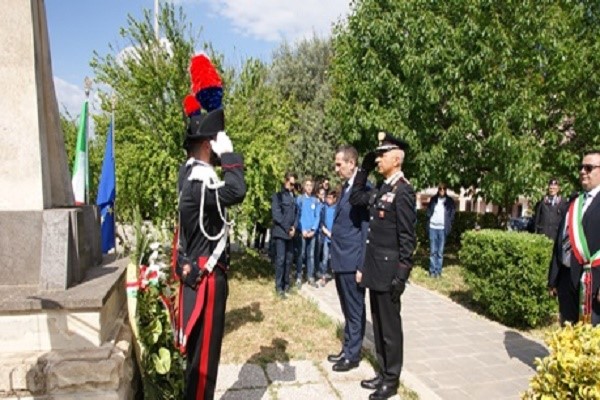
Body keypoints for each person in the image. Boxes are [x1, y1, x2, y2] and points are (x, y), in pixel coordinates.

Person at [176, 107, 246, 399]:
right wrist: (229, 156)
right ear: (208, 145)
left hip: (199, 273)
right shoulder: (200, 181)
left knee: (198, 360)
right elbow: (237, 190)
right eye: (216, 142)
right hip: (207, 281)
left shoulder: (189, 174)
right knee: (204, 362)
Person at [349, 132, 416, 400]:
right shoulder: (383, 188)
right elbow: (355, 198)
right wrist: (363, 170)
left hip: (389, 273)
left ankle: (392, 379)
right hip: (375, 268)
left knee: (390, 328)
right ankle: (383, 370)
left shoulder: (403, 191)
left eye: (382, 155)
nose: (378, 159)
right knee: (377, 324)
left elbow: (407, 239)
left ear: (396, 159)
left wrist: (402, 275)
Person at [327, 145, 370, 372]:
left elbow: (365, 230)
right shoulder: (346, 188)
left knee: (355, 310)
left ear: (351, 163)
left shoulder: (363, 190)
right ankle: (347, 348)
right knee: (346, 308)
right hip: (341, 258)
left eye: (339, 164)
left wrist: (362, 265)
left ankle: (353, 355)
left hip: (352, 260)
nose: (336, 169)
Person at [548, 150, 600, 326]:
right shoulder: (574, 201)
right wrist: (553, 278)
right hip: (566, 278)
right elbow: (560, 240)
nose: (583, 171)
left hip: (592, 282)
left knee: (588, 335)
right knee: (567, 332)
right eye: (581, 167)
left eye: (589, 167)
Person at [271, 172, 299, 298]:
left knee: (289, 260)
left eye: (294, 184)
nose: (292, 186)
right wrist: (288, 228)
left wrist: (294, 227)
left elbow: (297, 213)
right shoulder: (278, 196)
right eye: (291, 183)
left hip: (291, 234)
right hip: (281, 233)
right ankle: (279, 287)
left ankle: (286, 285)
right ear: (285, 181)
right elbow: (277, 216)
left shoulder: (294, 197)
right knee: (281, 260)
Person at [426, 183, 456, 278]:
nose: (442, 190)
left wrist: (449, 224)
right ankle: (432, 271)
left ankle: (438, 272)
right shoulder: (433, 199)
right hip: (433, 228)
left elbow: (452, 214)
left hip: (442, 229)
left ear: (446, 190)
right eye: (440, 188)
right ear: (438, 190)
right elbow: (428, 211)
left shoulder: (449, 201)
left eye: (444, 188)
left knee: (440, 252)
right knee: (432, 251)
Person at [295, 178, 320, 288]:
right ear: (304, 187)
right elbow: (297, 215)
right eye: (307, 185)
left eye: (311, 185)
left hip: (312, 233)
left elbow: (317, 216)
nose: (309, 187)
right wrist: (302, 229)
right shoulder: (300, 199)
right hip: (302, 232)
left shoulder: (315, 201)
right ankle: (299, 277)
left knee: (311, 255)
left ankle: (310, 277)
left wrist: (313, 230)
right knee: (301, 255)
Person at [318, 189, 337, 286]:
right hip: (326, 236)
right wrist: (324, 230)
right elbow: (321, 221)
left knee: (334, 257)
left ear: (334, 199)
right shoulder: (324, 208)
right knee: (325, 257)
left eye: (330, 197)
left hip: (335, 237)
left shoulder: (337, 209)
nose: (328, 199)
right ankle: (323, 276)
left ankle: (335, 274)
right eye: (327, 197)